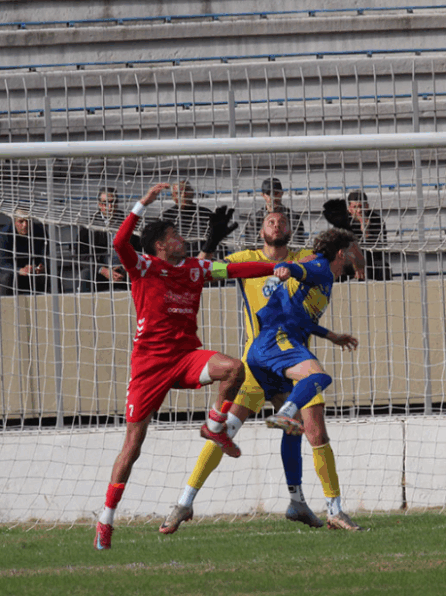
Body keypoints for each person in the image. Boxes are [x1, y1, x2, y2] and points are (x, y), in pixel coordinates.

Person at [95, 182, 288, 550]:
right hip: (149, 366)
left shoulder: (198, 269)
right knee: (132, 446)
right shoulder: (143, 266)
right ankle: (106, 519)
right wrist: (142, 204)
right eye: (173, 235)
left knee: (234, 368)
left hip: (185, 357)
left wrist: (276, 267)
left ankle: (215, 427)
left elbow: (236, 272)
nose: (181, 238)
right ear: (159, 245)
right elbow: (121, 244)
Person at [160, 210, 322, 535]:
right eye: (270, 221)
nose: (277, 225)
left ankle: (298, 502)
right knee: (224, 432)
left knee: (299, 428)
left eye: (282, 221)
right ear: (261, 230)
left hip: (289, 367)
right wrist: (210, 243)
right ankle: (184, 502)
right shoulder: (244, 259)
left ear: (291, 229)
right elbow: (199, 272)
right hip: (256, 367)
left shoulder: (302, 259)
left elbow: (328, 263)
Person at [249, 227, 366, 531]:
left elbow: (301, 317)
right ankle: (335, 509)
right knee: (318, 377)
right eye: (353, 249)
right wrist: (284, 270)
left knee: (299, 431)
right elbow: (298, 268)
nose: (356, 255)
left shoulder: (323, 278)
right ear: (342, 253)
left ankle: (298, 501)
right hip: (280, 344)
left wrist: (331, 336)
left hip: (276, 346)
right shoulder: (320, 267)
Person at [76, 188, 137, 292]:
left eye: (112, 202)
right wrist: (103, 269)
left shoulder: (129, 222)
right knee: (85, 275)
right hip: (99, 270)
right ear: (99, 205)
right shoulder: (88, 225)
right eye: (105, 203)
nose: (109, 207)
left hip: (124, 269)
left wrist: (124, 266)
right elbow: (81, 256)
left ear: (117, 204)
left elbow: (138, 248)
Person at [322, 191, 391, 281]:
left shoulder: (376, 219)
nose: (359, 211)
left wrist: (366, 231)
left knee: (382, 268)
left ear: (367, 207)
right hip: (350, 258)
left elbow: (379, 247)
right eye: (355, 207)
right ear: (349, 209)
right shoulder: (342, 220)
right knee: (336, 267)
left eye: (361, 207)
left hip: (371, 258)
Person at [0, 208, 48, 295]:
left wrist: (41, 266)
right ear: (14, 222)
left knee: (51, 276)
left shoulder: (41, 231)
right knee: (5, 277)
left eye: (28, 221)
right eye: (21, 221)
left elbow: (46, 256)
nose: (25, 225)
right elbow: (2, 264)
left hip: (34, 273)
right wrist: (20, 270)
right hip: (14, 275)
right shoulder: (4, 234)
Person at [242, 177, 307, 245]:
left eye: (276, 193)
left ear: (282, 193)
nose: (272, 197)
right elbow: (251, 247)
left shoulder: (294, 217)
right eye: (268, 193)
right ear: (263, 195)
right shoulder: (255, 218)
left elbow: (298, 246)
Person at [160, 180, 214, 258]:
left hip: (204, 259)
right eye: (179, 193)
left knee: (223, 268)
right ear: (173, 196)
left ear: (192, 192)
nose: (183, 195)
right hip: (177, 261)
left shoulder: (206, 214)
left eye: (186, 190)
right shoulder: (166, 216)